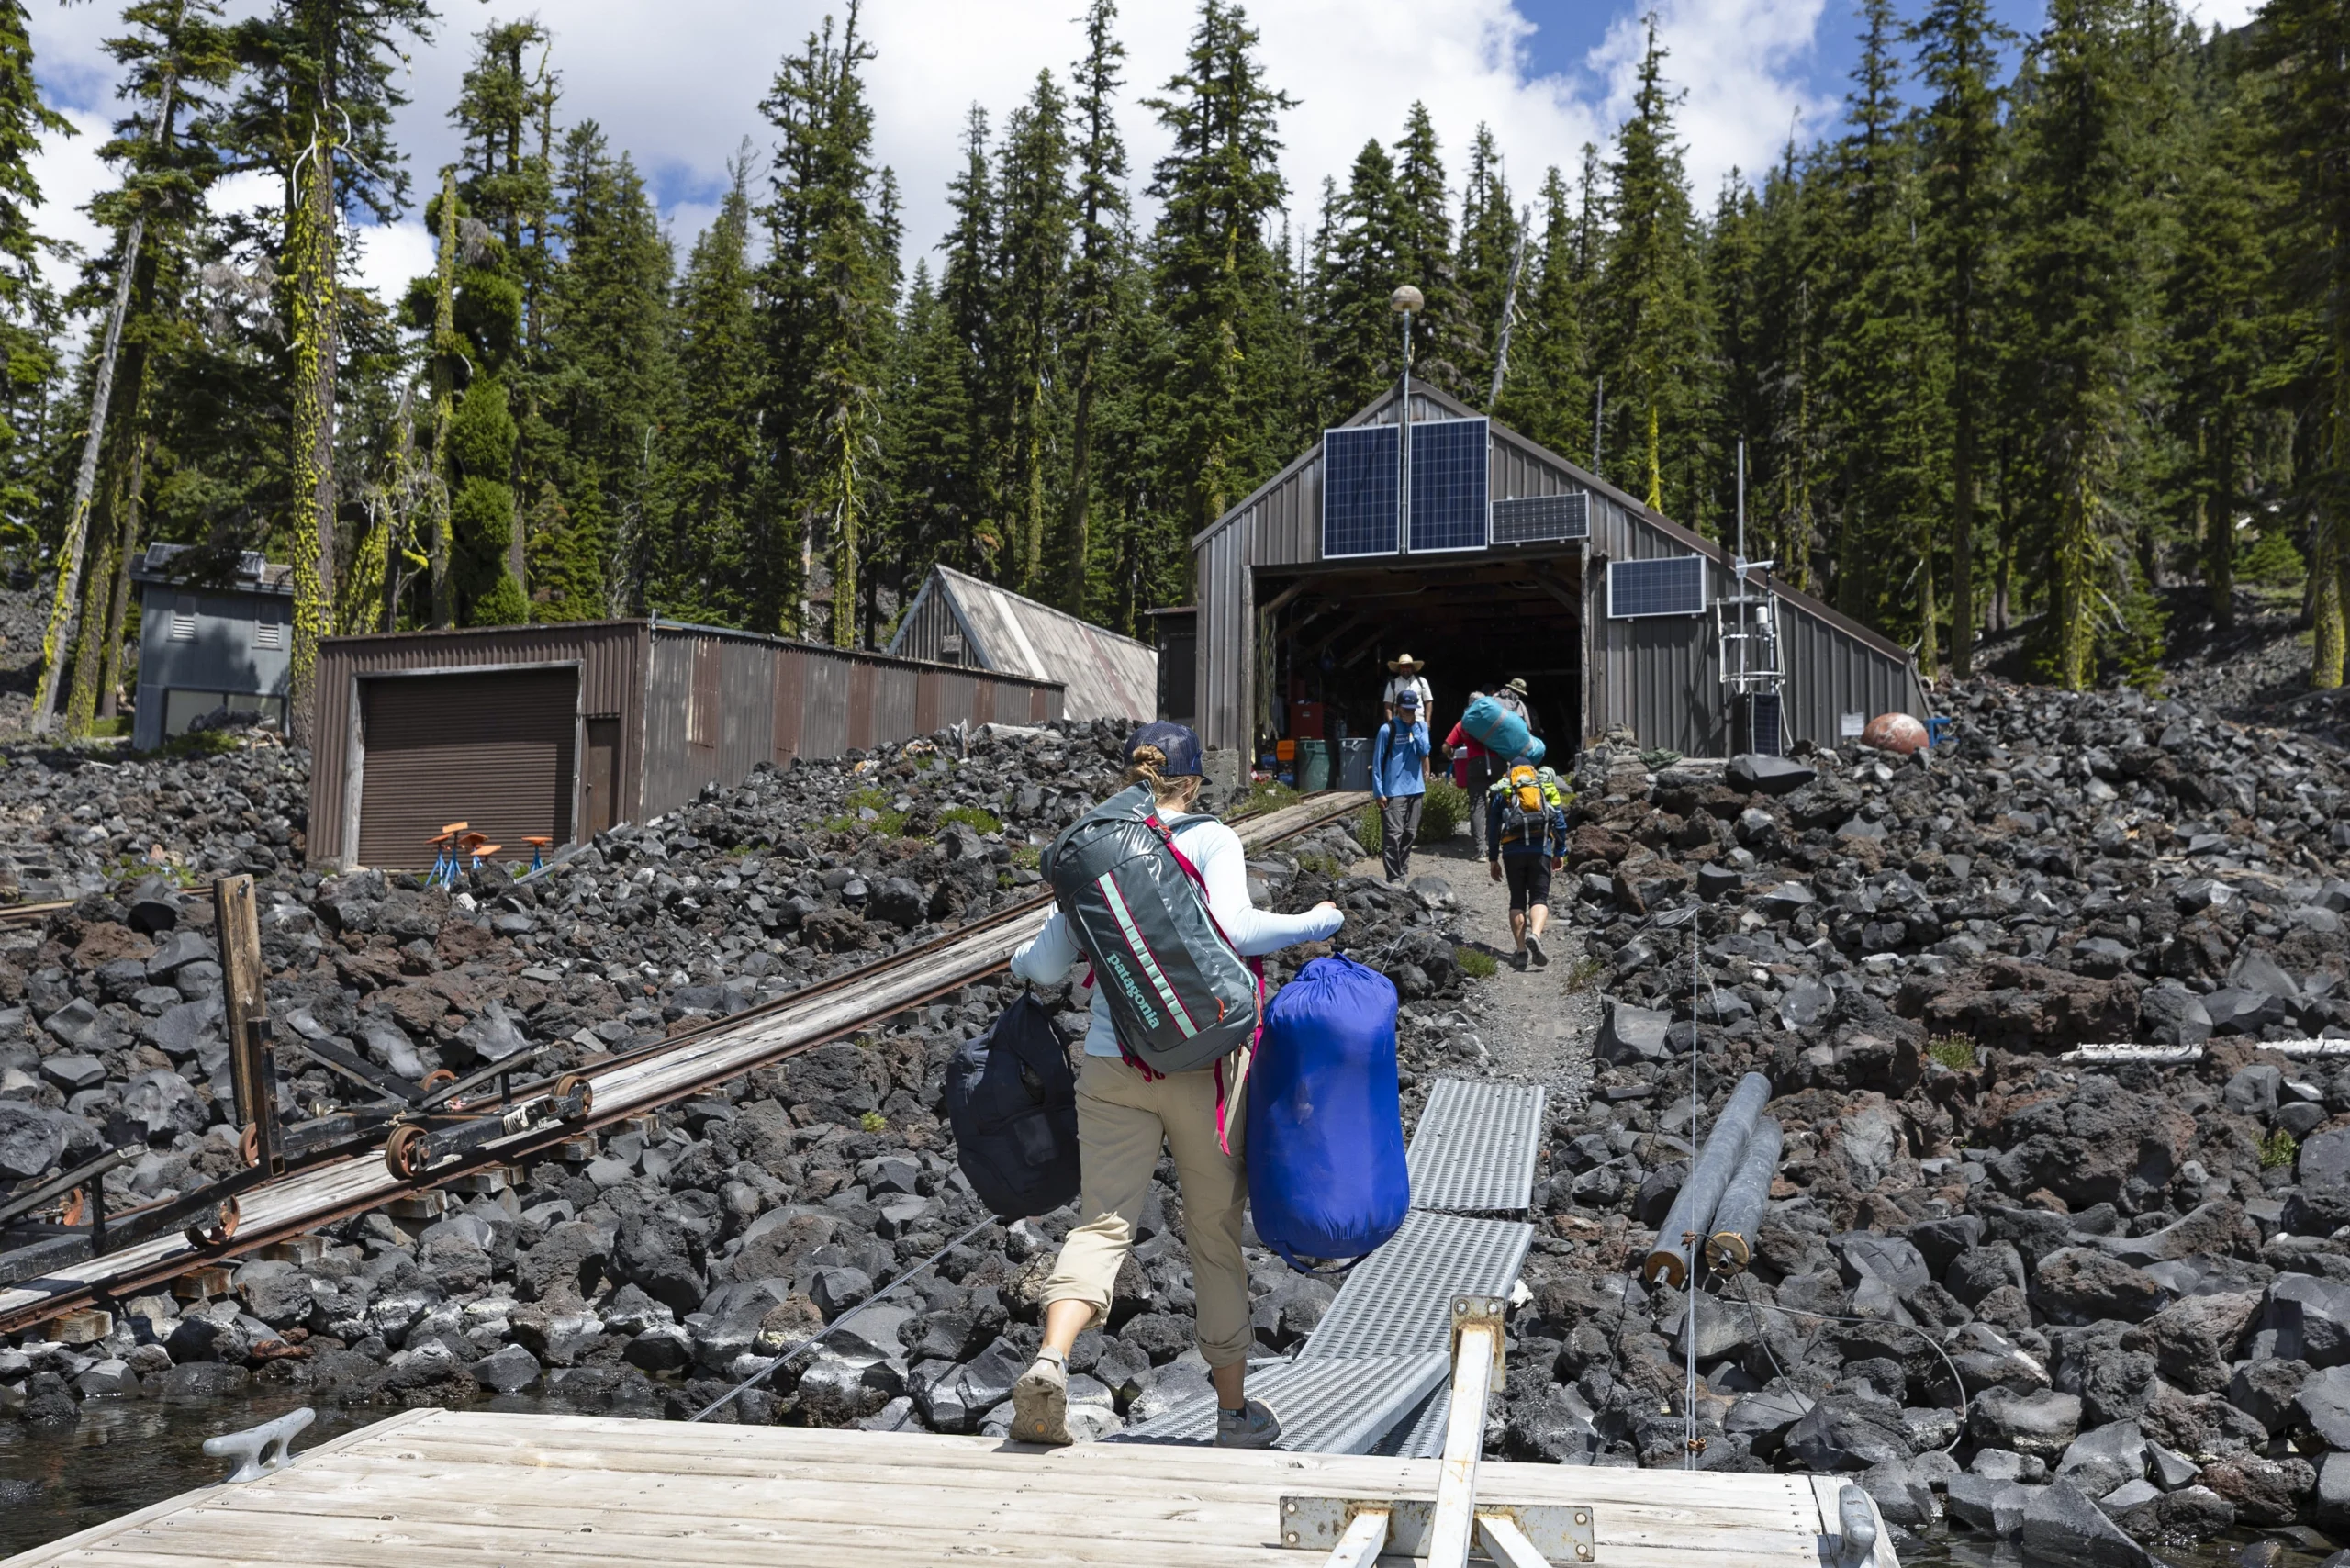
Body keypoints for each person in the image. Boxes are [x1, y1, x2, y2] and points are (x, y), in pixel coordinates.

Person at [1007, 722, 1344, 1450]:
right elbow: (1237, 928)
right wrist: (1318, 919)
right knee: (1215, 1239)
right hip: (1206, 1071)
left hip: (1112, 1066)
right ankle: (1232, 1414)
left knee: (1102, 1225)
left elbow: (1041, 966)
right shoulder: (1207, 837)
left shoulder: (1102, 847)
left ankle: (1050, 1360)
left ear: (1131, 777)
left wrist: (1015, 959)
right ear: (1193, 780)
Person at [1487, 754, 1568, 969]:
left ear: (1510, 771)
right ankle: (1536, 935)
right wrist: (1560, 851)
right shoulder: (1544, 787)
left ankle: (1521, 952)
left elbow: (1493, 827)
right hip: (1541, 850)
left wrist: (1493, 858)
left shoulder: (1505, 789)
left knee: (1517, 900)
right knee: (1539, 898)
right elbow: (1559, 821)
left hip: (1512, 852)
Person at [1372, 689, 1430, 882]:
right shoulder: (1387, 730)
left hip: (1416, 789)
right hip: (1393, 791)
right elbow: (1378, 761)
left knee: (1410, 834)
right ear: (1397, 708)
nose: (1409, 712)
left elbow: (1425, 751)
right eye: (1406, 709)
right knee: (1392, 835)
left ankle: (1403, 872)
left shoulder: (1421, 727)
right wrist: (1378, 792)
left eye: (1412, 709)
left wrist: (1414, 728)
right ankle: (1393, 876)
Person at [1446, 692, 1494, 857]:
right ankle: (1493, 844)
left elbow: (1447, 745)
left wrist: (1450, 754)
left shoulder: (1464, 722)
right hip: (1497, 764)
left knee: (1477, 804)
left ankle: (1480, 850)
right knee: (1497, 803)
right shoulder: (1494, 719)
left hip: (1476, 765)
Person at [1382, 654, 1434, 722]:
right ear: (1399, 668)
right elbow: (1387, 706)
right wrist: (1391, 724)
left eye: (1408, 666)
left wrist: (1427, 722)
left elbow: (1428, 702)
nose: (1405, 669)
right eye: (1403, 666)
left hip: (1419, 722)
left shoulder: (1422, 681)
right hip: (1399, 722)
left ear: (1412, 668)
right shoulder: (1392, 683)